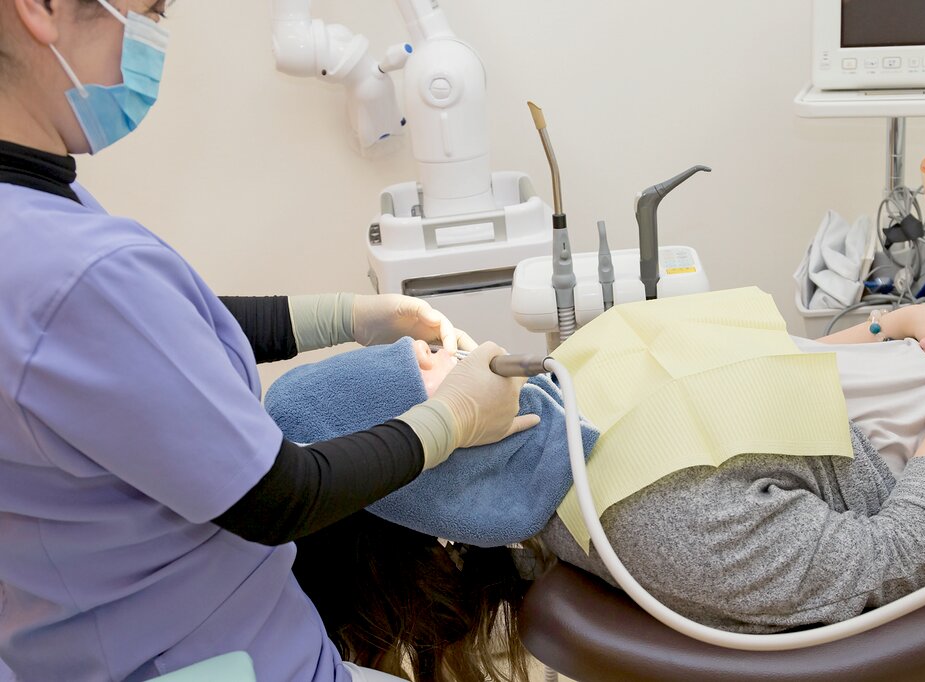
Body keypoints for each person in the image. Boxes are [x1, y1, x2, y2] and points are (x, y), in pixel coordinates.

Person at [0, 1, 539, 681]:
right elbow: (277, 494)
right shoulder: (74, 270)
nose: (153, 40)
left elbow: (143, 335)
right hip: (196, 660)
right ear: (41, 9)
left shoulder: (32, 213)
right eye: (146, 12)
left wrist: (347, 316)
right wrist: (455, 417)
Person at [264, 303, 925, 681]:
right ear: (437, 476)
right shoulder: (659, 524)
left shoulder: (565, 389)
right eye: (422, 378)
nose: (440, 350)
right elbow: (901, 552)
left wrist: (891, 324)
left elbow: (759, 374)